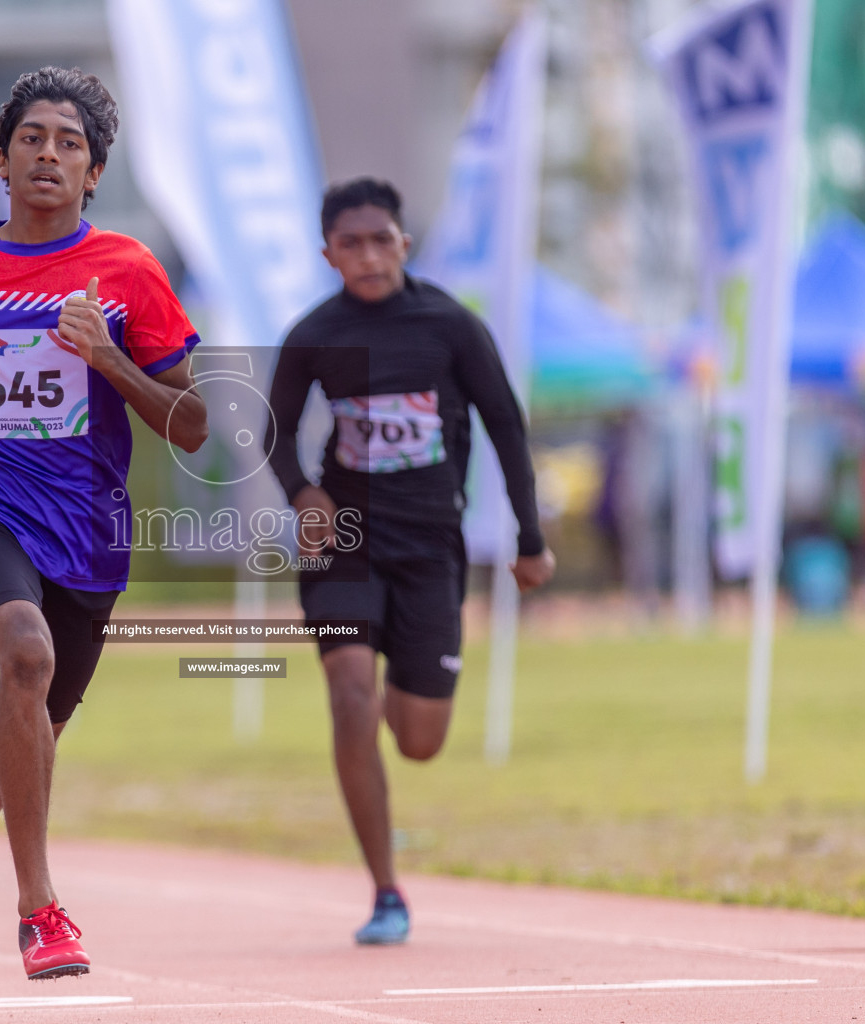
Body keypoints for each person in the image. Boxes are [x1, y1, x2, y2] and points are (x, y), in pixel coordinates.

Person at [0, 66, 207, 980]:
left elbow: (193, 422)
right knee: (24, 652)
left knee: (39, 726)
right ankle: (42, 910)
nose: (50, 154)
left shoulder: (129, 273)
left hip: (85, 524)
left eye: (70, 143)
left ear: (93, 172)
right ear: (1, 158)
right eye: (33, 139)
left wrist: (108, 357)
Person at [264, 178, 554, 945]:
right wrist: (301, 494)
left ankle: (403, 675)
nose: (367, 255)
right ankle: (386, 890)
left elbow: (506, 428)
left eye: (380, 239)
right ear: (327, 254)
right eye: (349, 243)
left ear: (405, 243)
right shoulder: (313, 333)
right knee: (350, 694)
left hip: (430, 547)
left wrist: (529, 539)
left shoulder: (450, 327)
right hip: (347, 541)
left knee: (419, 741)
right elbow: (273, 429)